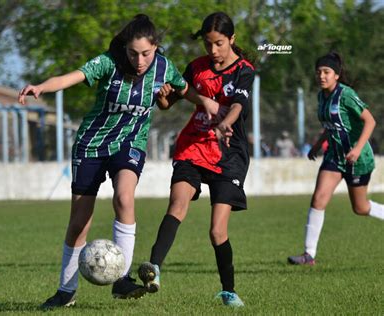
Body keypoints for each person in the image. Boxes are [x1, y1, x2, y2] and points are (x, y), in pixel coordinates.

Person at [18, 14, 219, 309]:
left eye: (146, 53)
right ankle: (66, 291)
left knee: (125, 198)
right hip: (91, 144)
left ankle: (122, 280)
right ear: (124, 48)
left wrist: (205, 101)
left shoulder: (163, 67)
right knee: (79, 223)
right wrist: (42, 87)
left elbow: (183, 89)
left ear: (156, 48)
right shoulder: (108, 62)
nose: (140, 60)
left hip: (130, 143)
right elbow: (72, 76)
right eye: (133, 53)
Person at [137, 12, 255, 307]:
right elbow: (168, 103)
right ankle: (154, 270)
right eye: (207, 44)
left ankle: (229, 291)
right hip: (193, 147)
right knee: (177, 205)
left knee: (217, 231)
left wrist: (226, 122)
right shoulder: (196, 67)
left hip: (229, 153)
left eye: (218, 44)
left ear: (232, 40)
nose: (212, 51)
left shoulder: (244, 70)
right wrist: (163, 94)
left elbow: (239, 103)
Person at [288, 52, 384, 266]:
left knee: (360, 208)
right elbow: (331, 125)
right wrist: (317, 144)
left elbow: (370, 121)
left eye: (326, 72)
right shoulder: (321, 96)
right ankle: (308, 255)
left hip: (357, 159)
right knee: (318, 199)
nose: (321, 76)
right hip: (334, 157)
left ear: (337, 75)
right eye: (318, 72)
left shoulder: (346, 95)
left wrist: (358, 149)